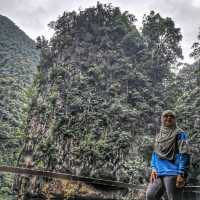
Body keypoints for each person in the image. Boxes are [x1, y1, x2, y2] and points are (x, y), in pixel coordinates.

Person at [146, 110, 190, 200]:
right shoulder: (159, 136)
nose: (168, 118)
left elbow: (184, 153)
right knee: (150, 195)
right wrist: (153, 168)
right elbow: (155, 153)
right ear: (162, 119)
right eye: (166, 116)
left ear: (175, 119)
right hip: (158, 173)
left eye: (171, 116)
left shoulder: (180, 134)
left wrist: (181, 173)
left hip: (173, 173)